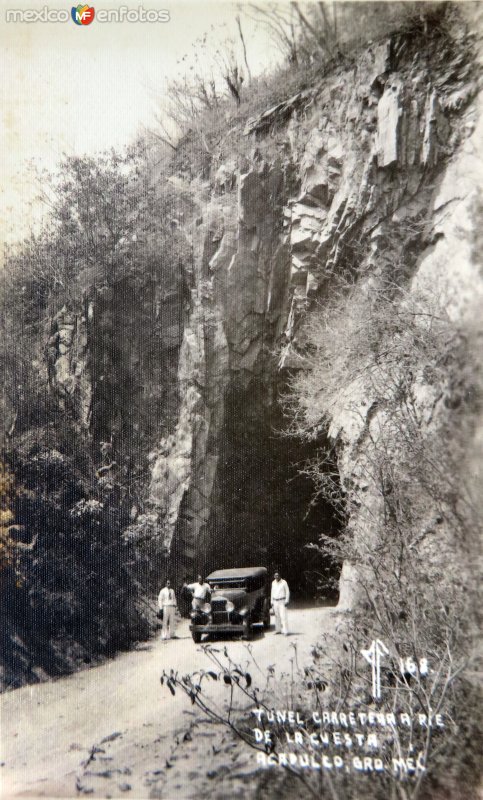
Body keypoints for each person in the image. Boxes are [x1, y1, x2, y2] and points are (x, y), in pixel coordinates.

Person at [271, 571, 290, 636]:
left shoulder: (284, 582)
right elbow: (272, 592)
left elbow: (287, 592)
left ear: (280, 576)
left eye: (278, 575)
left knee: (283, 616)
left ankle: (285, 631)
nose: (276, 577)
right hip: (275, 601)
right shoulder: (273, 583)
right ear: (274, 576)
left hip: (282, 601)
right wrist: (271, 602)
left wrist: (287, 600)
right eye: (275, 575)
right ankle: (278, 630)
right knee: (277, 616)